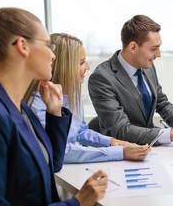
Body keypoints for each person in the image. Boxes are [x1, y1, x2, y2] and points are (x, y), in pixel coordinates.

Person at [0, 0, 107, 205]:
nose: (53, 56)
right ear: (23, 46)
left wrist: (55, 114)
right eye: (48, 45)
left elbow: (52, 164)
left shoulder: (19, 107)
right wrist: (77, 202)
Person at [88, 15, 173, 150]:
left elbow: (161, 102)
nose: (159, 54)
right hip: (122, 150)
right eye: (153, 48)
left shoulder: (147, 66)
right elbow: (122, 130)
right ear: (133, 47)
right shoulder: (102, 78)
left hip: (150, 146)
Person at [24, 33, 150, 163]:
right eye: (81, 62)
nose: (88, 67)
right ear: (64, 66)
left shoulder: (73, 90)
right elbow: (61, 150)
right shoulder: (36, 102)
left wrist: (113, 142)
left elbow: (80, 131)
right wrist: (119, 152)